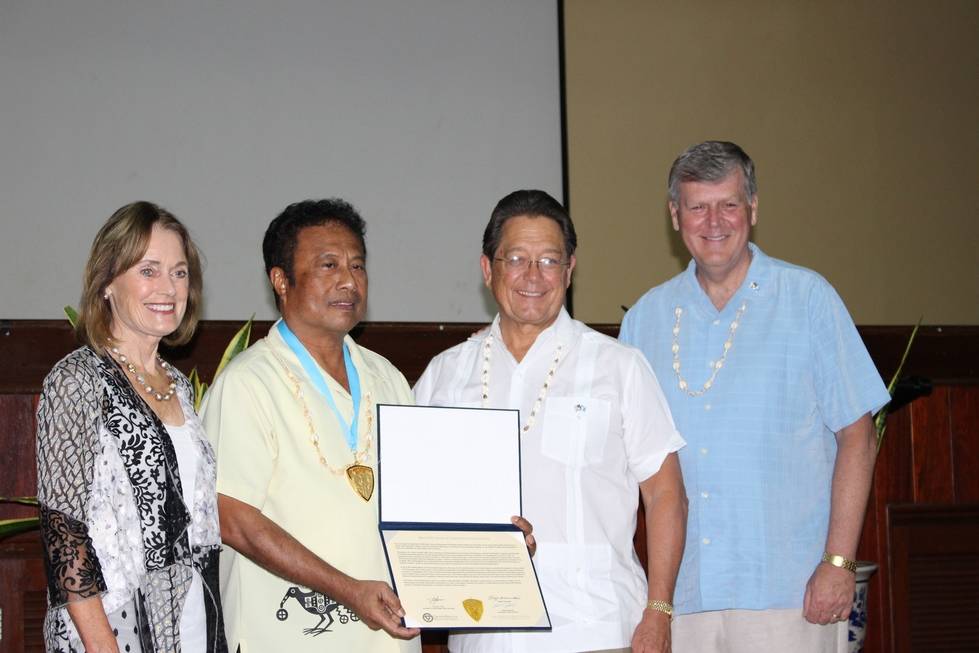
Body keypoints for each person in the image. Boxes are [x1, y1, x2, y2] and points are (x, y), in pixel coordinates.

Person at [619, 141, 890, 653]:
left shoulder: (808, 298)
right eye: (698, 206)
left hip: (789, 596)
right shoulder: (644, 322)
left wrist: (838, 563)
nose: (714, 221)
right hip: (683, 598)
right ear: (675, 216)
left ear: (754, 209)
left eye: (729, 204)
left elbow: (858, 437)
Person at [414, 190, 687, 653]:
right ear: (488, 269)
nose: (533, 276)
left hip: (597, 627)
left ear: (569, 270)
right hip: (482, 635)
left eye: (549, 260)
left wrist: (658, 610)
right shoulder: (445, 374)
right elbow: (414, 498)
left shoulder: (618, 366)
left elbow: (665, 494)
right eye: (516, 258)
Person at [36, 201, 226, 653]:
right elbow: (64, 533)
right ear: (107, 284)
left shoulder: (179, 386)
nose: (168, 287)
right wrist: (104, 646)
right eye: (148, 270)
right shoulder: (77, 379)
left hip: (187, 616)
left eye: (179, 273)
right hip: (110, 626)